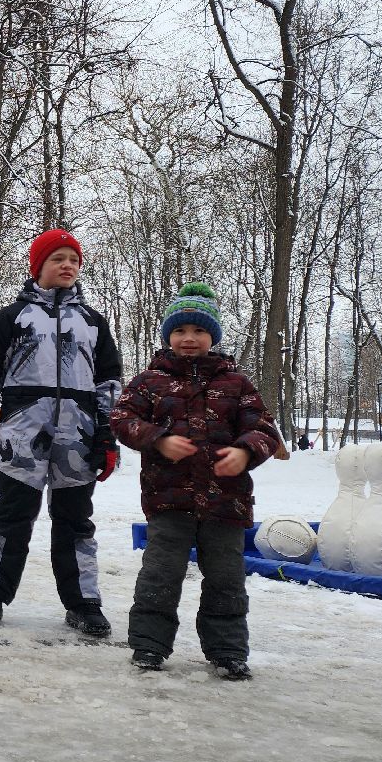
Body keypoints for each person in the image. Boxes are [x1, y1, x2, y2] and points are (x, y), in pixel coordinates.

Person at [0, 229, 123, 637]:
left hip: (78, 437)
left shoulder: (93, 323)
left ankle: (84, 602)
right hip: (23, 434)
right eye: (57, 259)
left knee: (76, 521)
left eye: (74, 260)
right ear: (38, 266)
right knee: (11, 517)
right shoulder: (14, 318)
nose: (67, 266)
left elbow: (109, 385)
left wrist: (107, 435)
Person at [110, 283, 281, 679]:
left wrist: (245, 451)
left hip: (226, 504)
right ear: (169, 336)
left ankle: (227, 652)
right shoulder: (149, 381)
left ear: (213, 337)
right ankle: (149, 646)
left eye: (199, 331)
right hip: (168, 501)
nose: (189, 338)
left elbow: (266, 430)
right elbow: (121, 420)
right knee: (159, 575)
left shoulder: (236, 384)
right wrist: (157, 439)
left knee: (226, 580)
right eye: (181, 331)